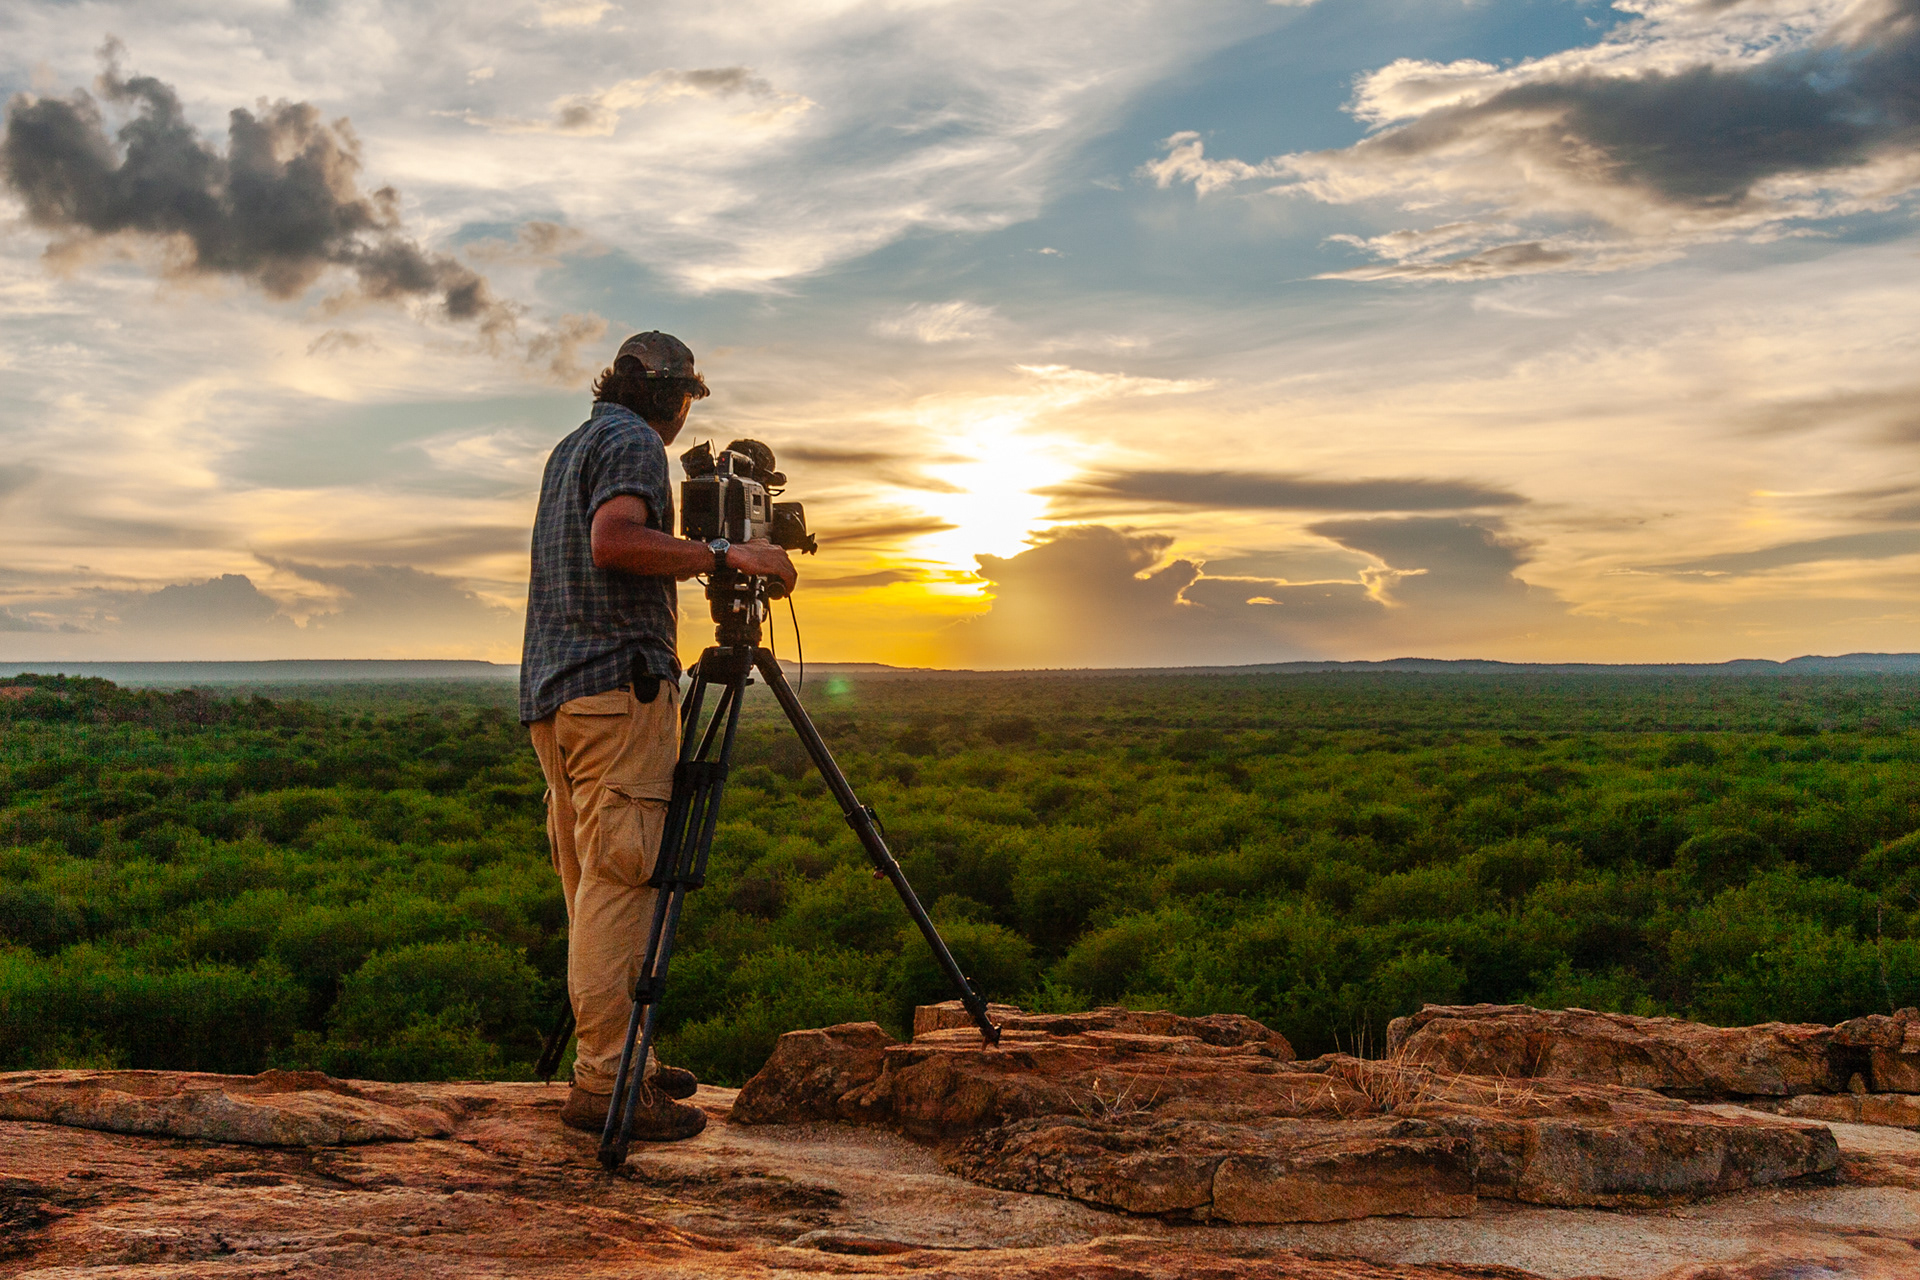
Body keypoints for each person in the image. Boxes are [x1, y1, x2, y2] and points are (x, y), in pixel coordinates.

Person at [520, 331, 797, 1141]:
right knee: (623, 879)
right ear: (673, 397)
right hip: (617, 690)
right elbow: (615, 541)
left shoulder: (573, 445)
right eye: (685, 404)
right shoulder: (633, 441)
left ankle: (626, 1055)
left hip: (558, 695)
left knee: (593, 880)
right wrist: (725, 551)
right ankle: (609, 1085)